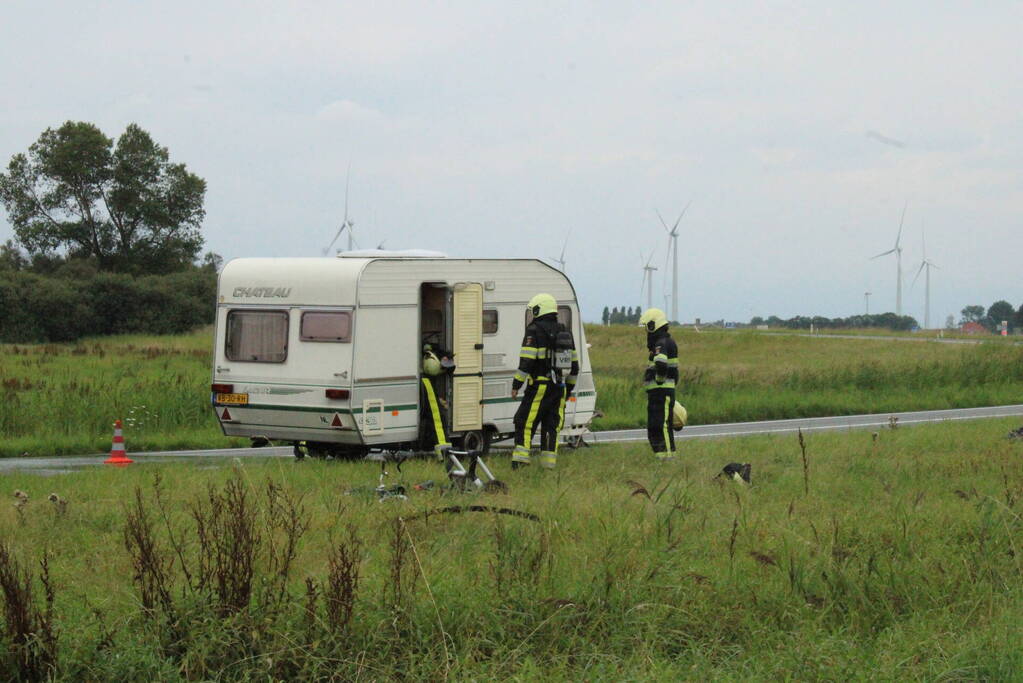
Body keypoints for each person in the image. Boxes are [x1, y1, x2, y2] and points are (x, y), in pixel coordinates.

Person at [511, 293, 578, 469]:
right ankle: (548, 467)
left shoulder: (534, 331)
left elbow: (526, 361)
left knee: (523, 421)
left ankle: (520, 464)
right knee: (551, 426)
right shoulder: (565, 331)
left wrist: (516, 385)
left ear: (539, 309)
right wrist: (567, 389)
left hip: (539, 387)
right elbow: (575, 366)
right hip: (559, 387)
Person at [638, 308, 679, 459]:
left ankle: (669, 460)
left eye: (646, 327)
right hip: (658, 393)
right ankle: (661, 459)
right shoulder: (663, 342)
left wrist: (660, 380)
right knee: (655, 427)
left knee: (662, 426)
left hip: (661, 392)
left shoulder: (661, 343)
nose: (646, 332)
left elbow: (661, 364)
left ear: (652, 325)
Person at [420, 342, 455, 457]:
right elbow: (434, 370)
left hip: (428, 385)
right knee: (438, 419)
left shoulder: (429, 355)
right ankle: (443, 451)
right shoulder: (431, 361)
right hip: (427, 384)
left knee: (436, 418)